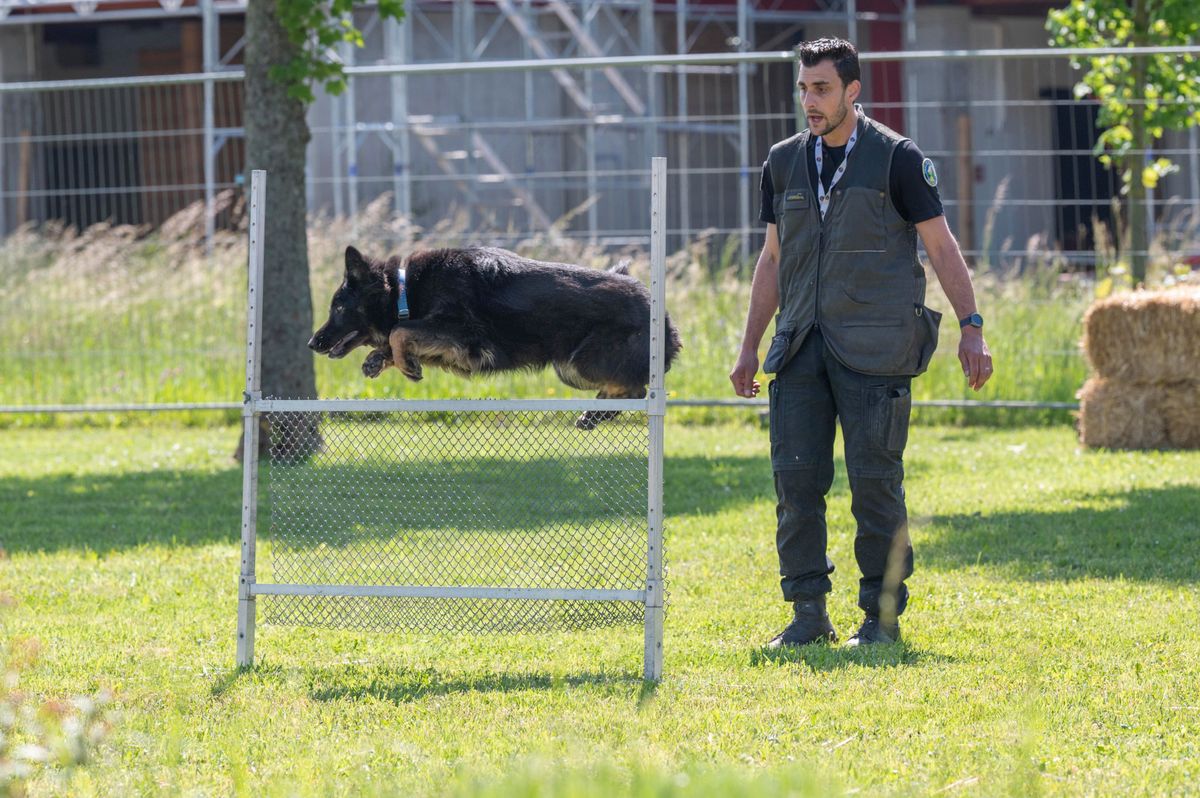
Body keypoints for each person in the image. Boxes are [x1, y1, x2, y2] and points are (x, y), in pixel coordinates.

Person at [728, 37, 993, 648]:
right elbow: (771, 258)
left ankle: (881, 618)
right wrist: (749, 346)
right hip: (799, 347)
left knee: (875, 482)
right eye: (803, 89)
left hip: (876, 348)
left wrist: (971, 325)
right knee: (795, 483)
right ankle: (807, 614)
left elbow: (941, 245)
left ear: (853, 90)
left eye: (821, 89)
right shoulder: (783, 161)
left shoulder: (897, 158)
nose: (809, 101)